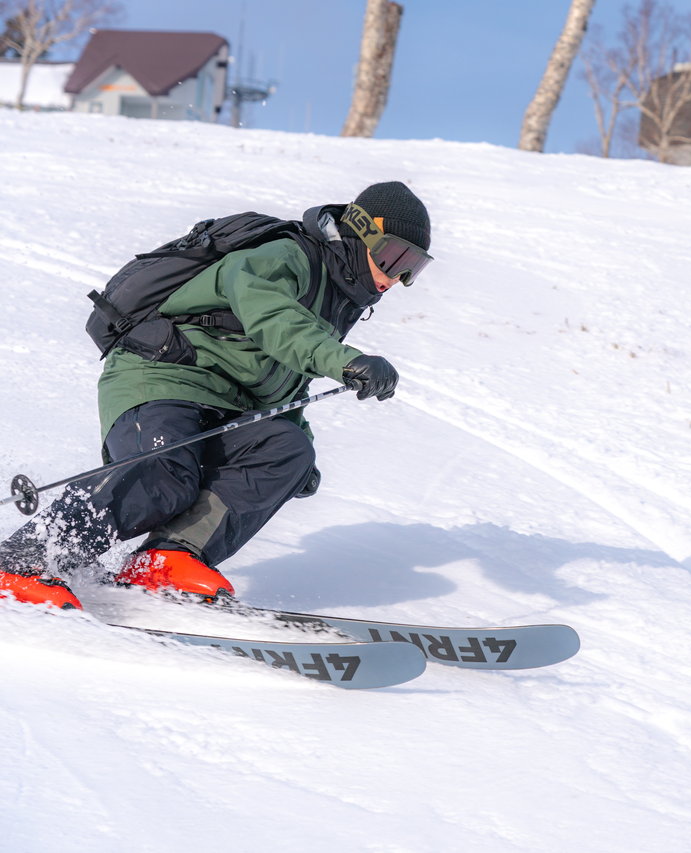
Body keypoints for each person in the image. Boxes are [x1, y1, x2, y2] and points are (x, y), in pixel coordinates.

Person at [0, 181, 433, 610]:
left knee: (288, 449)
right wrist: (344, 360)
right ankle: (20, 561)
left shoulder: (340, 297)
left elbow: (285, 379)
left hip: (228, 406)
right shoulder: (286, 255)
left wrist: (299, 451)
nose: (397, 277)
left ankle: (166, 558)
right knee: (165, 474)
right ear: (361, 231)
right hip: (162, 376)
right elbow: (275, 321)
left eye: (413, 267)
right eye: (395, 256)